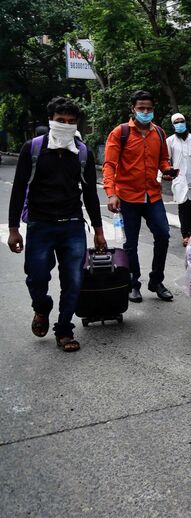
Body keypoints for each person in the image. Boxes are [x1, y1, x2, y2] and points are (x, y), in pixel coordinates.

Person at [7, 96, 106, 352]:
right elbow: (18, 190)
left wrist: (98, 230)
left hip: (72, 225)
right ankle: (41, 307)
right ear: (50, 121)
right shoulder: (33, 149)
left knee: (73, 280)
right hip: (40, 225)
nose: (66, 125)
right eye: (60, 120)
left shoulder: (82, 152)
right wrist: (13, 229)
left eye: (71, 121)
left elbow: (91, 195)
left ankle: (64, 329)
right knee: (36, 277)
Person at [103, 90, 178, 303]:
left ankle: (156, 281)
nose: (145, 112)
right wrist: (111, 194)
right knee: (131, 244)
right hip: (128, 196)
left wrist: (168, 170)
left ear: (154, 109)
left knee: (163, 234)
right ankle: (133, 283)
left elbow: (163, 159)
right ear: (133, 109)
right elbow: (109, 165)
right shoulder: (120, 132)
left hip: (152, 195)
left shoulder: (160, 133)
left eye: (149, 108)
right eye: (141, 108)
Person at [165, 113, 191, 247]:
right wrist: (164, 174)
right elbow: (165, 161)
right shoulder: (170, 141)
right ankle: (186, 234)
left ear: (185, 122)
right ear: (173, 125)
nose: (179, 124)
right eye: (176, 122)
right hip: (179, 179)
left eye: (181, 121)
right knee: (183, 207)